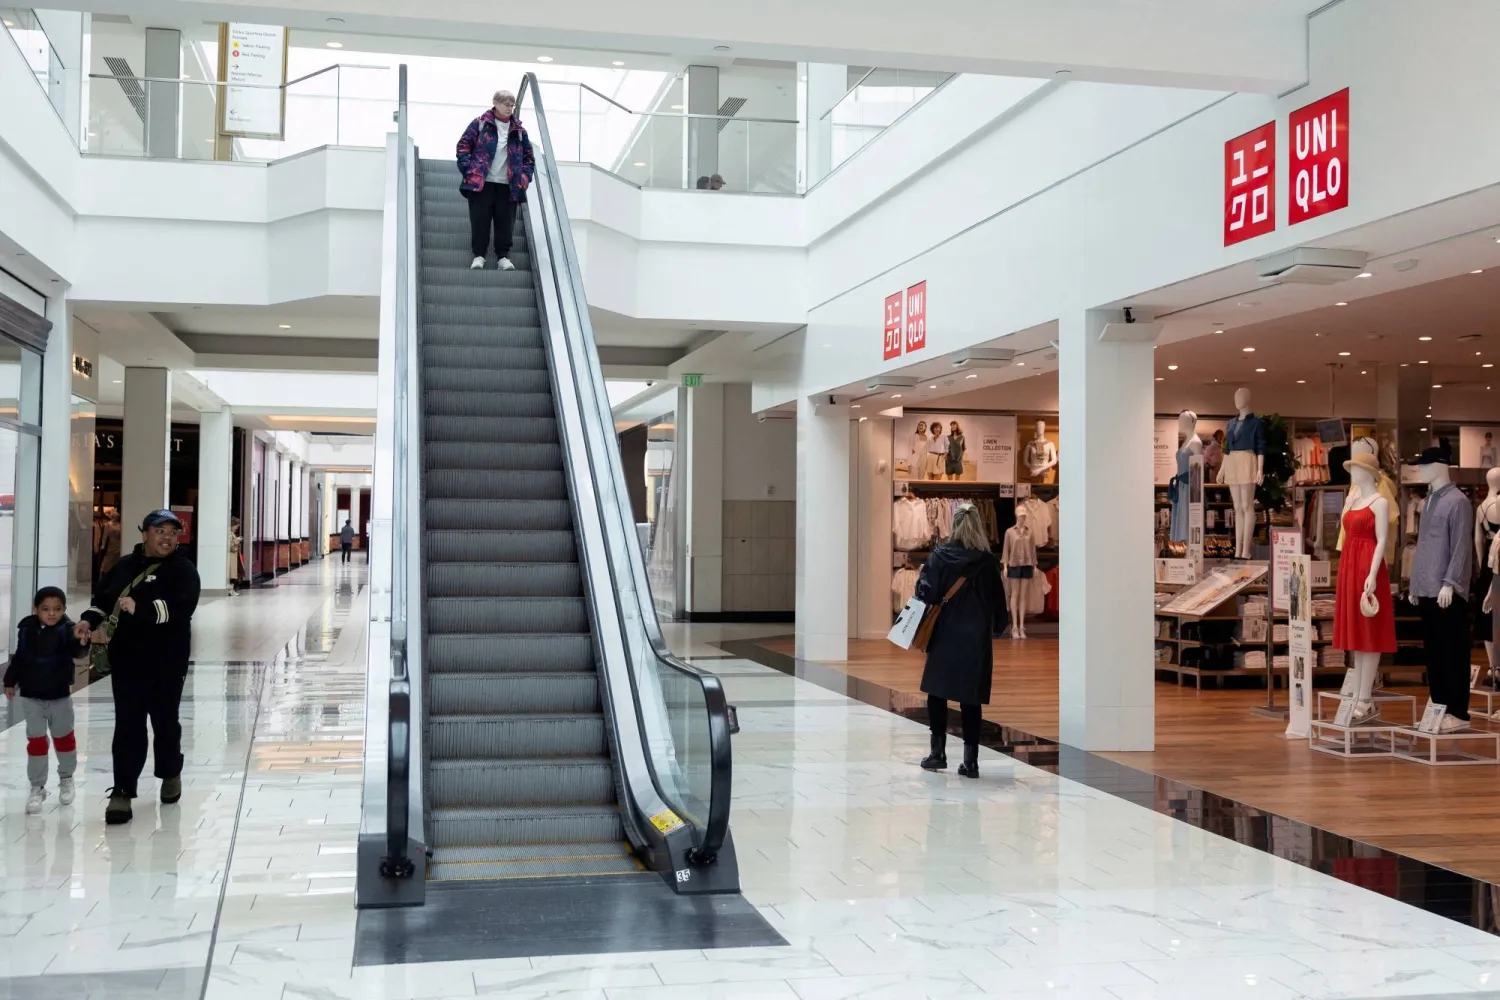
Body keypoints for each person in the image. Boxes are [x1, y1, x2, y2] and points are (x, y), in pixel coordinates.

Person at [79, 510, 201, 825]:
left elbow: (182, 607)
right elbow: (103, 600)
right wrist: (87, 621)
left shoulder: (183, 570)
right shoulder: (124, 567)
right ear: (144, 533)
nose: (167, 538)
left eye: (173, 532)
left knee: (164, 722)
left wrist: (142, 609)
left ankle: (170, 772)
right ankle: (123, 790)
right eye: (160, 531)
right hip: (128, 659)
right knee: (129, 725)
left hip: (167, 660)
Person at [915, 503, 1004, 779]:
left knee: (937, 692)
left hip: (945, 634)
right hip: (976, 637)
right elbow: (998, 602)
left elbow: (927, 595)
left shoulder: (939, 556)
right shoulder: (988, 562)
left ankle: (937, 753)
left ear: (954, 524)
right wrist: (998, 628)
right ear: (979, 526)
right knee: (971, 699)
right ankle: (971, 762)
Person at [5, 586, 88, 814]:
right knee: (37, 741)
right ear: (36, 609)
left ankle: (66, 778)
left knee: (64, 738)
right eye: (46, 609)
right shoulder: (27, 629)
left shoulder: (67, 629)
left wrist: (82, 641)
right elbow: (20, 657)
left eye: (57, 609)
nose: (52, 614)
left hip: (59, 695)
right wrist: (10, 681)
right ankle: (37, 786)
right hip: (32, 695)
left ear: (64, 610)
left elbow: (77, 652)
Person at [456, 90, 536, 272]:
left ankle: (503, 257)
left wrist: (523, 178)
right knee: (480, 220)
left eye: (511, 104)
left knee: (505, 223)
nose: (509, 107)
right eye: (505, 103)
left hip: (509, 185)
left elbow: (529, 158)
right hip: (481, 183)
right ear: (496, 103)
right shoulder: (480, 124)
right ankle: (479, 255)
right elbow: (463, 146)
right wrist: (470, 171)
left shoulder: (519, 131)